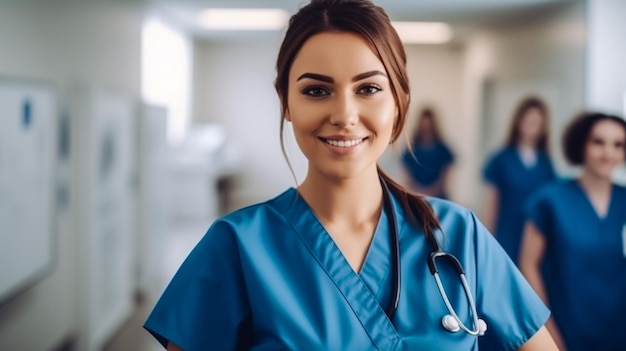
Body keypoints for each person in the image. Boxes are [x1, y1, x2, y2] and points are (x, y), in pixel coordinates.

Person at [143, 1, 558, 349]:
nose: (344, 115)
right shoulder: (237, 245)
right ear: (286, 102)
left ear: (399, 101)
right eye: (316, 90)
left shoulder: (457, 234)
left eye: (369, 89)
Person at [519, 112, 626, 351]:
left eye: (618, 145)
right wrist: (547, 328)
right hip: (565, 324)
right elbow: (528, 265)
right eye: (598, 142)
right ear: (581, 145)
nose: (608, 153)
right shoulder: (549, 200)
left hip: (619, 327)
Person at [482, 97, 556, 264]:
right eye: (528, 121)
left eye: (538, 123)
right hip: (507, 231)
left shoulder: (546, 162)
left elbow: (550, 203)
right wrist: (488, 239)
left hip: (536, 234)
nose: (533, 127)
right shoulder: (501, 159)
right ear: (518, 122)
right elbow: (491, 204)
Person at [401, 106, 455, 199]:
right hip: (415, 197)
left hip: (438, 198)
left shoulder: (443, 151)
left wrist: (430, 193)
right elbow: (408, 179)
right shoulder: (410, 150)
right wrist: (420, 192)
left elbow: (444, 180)